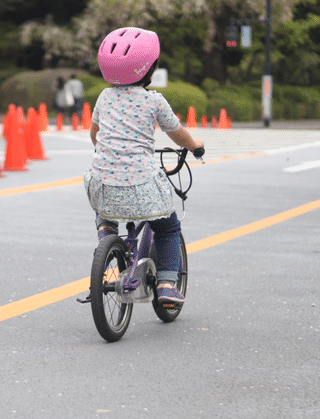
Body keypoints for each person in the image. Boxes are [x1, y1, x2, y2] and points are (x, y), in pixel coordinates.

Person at [85, 27, 204, 306]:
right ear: (149, 70)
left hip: (102, 181)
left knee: (104, 208)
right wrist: (194, 145)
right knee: (168, 227)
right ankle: (166, 284)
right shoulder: (153, 101)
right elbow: (177, 133)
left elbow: (95, 134)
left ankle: (106, 232)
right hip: (141, 186)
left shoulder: (104, 97)